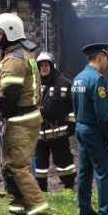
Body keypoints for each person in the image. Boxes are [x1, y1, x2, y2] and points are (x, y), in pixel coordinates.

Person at [0, 13, 57, 215]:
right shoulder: (20, 55)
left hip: (19, 122)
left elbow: (8, 98)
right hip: (21, 121)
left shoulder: (14, 60)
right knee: (10, 167)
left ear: (11, 33)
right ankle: (18, 212)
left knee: (19, 168)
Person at [72, 43, 108, 215]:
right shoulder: (97, 79)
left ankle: (85, 209)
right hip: (94, 130)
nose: (106, 63)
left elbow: (75, 106)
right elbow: (102, 112)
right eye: (107, 59)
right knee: (103, 172)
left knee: (84, 170)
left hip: (80, 128)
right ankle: (105, 214)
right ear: (101, 57)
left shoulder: (78, 78)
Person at [34, 51, 77, 192]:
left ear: (52, 66)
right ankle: (42, 189)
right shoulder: (34, 84)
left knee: (64, 161)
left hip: (59, 133)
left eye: (46, 65)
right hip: (39, 134)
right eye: (41, 66)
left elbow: (73, 106)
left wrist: (72, 123)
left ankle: (69, 186)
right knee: (40, 163)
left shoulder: (64, 83)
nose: (44, 68)